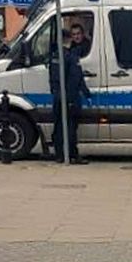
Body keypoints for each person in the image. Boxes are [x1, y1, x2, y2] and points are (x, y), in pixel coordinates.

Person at [49, 29, 91, 164]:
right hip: (69, 97)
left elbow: (53, 79)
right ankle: (73, 155)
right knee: (70, 128)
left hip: (57, 96)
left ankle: (59, 155)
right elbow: (76, 77)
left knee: (59, 126)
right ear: (69, 40)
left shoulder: (55, 56)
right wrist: (85, 94)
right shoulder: (71, 56)